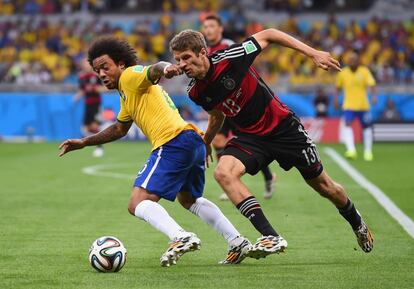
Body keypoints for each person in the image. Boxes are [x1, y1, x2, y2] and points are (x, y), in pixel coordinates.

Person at [168, 28, 373, 258]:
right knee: (223, 173)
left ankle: (357, 223)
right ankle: (270, 236)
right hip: (250, 137)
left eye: (186, 57)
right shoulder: (195, 91)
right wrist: (206, 141)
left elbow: (269, 34)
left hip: (284, 129)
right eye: (177, 60)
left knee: (325, 187)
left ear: (202, 53)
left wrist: (312, 53)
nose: (182, 64)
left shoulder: (231, 58)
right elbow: (217, 115)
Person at [59, 36, 256, 266]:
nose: (101, 74)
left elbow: (154, 70)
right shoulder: (127, 92)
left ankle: (180, 237)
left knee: (137, 203)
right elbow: (119, 129)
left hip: (173, 142)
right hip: (192, 140)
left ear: (121, 64)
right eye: (97, 70)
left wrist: (167, 69)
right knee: (189, 198)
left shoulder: (131, 76)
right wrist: (84, 142)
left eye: (105, 67)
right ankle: (237, 241)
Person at [202, 14, 276, 200]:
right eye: (206, 26)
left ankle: (268, 176)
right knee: (219, 141)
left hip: (240, 105)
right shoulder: (204, 52)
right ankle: (229, 181)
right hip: (224, 107)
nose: (208, 29)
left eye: (212, 26)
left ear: (220, 29)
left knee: (252, 143)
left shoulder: (228, 46)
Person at [334, 51, 377, 161]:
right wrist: (335, 99)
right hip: (349, 105)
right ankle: (351, 150)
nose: (352, 62)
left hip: (363, 105)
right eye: (350, 60)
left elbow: (372, 84)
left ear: (358, 61)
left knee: (366, 127)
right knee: (347, 124)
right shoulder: (342, 73)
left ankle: (368, 152)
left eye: (354, 60)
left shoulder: (364, 71)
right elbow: (338, 87)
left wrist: (374, 96)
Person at [73, 58, 105, 157]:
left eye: (87, 64)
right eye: (84, 64)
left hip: (96, 104)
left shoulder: (96, 76)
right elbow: (82, 90)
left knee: (94, 126)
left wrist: (96, 89)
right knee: (87, 127)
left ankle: (100, 148)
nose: (86, 66)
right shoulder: (81, 77)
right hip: (87, 104)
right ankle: (91, 144)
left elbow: (105, 88)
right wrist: (78, 96)